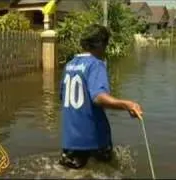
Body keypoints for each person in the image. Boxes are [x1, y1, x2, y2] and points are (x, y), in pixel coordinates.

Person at [58, 24, 143, 169]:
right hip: (94, 141)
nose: (105, 49)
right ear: (99, 44)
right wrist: (128, 105)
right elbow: (98, 97)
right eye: (106, 44)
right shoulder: (96, 64)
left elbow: (62, 96)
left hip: (70, 141)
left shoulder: (69, 65)